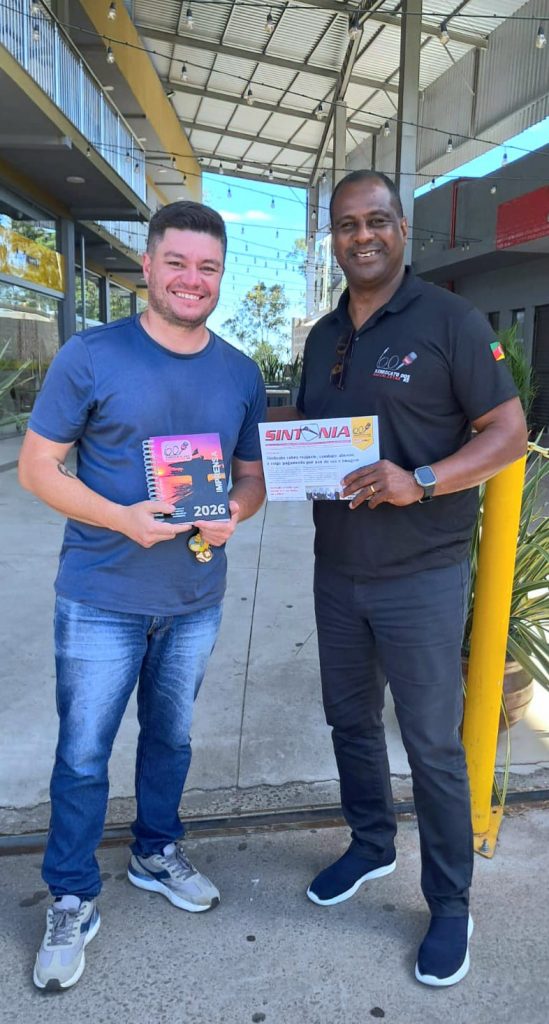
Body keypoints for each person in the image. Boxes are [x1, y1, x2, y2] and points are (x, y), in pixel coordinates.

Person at [276, 170, 527, 986]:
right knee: (349, 720)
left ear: (401, 230)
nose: (362, 236)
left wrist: (420, 479)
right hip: (338, 567)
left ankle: (450, 903)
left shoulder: (450, 321)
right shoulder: (323, 334)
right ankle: (370, 844)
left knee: (430, 745)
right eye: (347, 224)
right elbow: (312, 430)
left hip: (420, 573)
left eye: (376, 221)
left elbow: (507, 433)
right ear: (333, 238)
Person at [18, 201, 266, 991]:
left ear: (220, 276)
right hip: (101, 595)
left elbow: (252, 478)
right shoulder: (91, 356)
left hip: (194, 595)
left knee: (171, 739)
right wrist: (123, 518)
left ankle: (156, 852)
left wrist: (234, 513)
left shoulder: (240, 373)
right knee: (83, 754)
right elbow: (37, 468)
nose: (192, 279)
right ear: (148, 267)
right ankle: (71, 894)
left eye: (208, 267)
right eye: (178, 263)